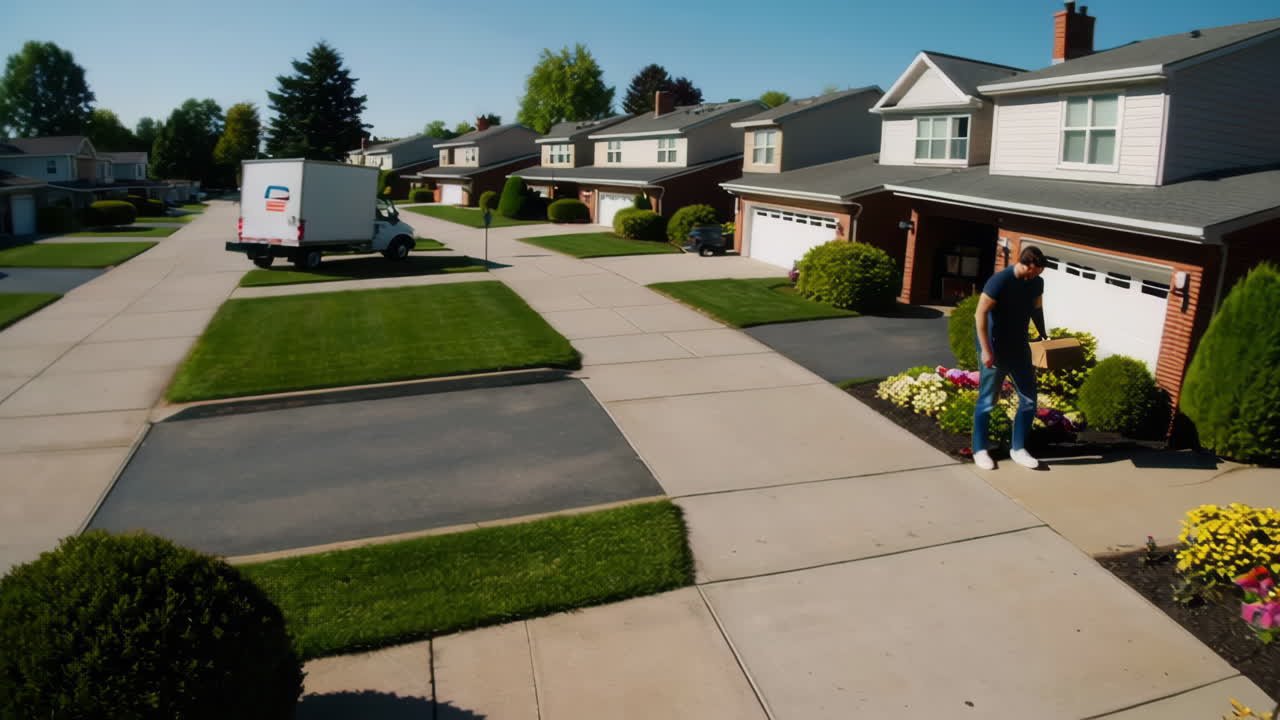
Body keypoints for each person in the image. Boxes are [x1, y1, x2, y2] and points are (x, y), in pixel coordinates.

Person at [972, 245, 1048, 470]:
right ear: (1025, 264)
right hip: (995, 346)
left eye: (1039, 273)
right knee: (987, 401)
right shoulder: (1000, 281)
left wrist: (1043, 333)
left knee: (1029, 400)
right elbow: (980, 313)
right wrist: (986, 350)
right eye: (1034, 271)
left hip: (1019, 346)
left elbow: (1036, 309)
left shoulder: (1036, 282)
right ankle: (980, 450)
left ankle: (1018, 448)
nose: (1035, 276)